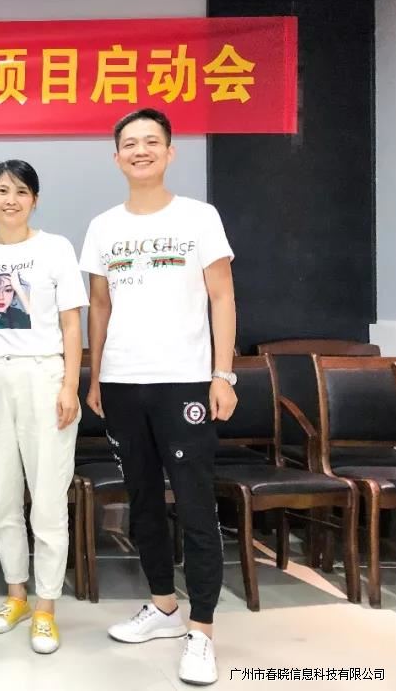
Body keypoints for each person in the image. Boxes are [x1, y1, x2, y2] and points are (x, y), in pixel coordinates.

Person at [79, 108, 237, 687]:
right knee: (143, 501)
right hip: (123, 382)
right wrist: (96, 376)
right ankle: (165, 606)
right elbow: (100, 306)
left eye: (151, 142)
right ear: (116, 157)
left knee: (194, 504)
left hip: (185, 381)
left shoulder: (199, 217)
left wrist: (223, 374)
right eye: (130, 143)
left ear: (170, 153)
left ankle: (202, 630)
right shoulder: (103, 227)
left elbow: (222, 296)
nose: (140, 150)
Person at [0, 160, 86, 654]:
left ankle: (46, 606)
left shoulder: (55, 249)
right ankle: (16, 595)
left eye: (20, 191)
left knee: (49, 499)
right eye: (1, 190)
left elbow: (72, 325)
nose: (10, 200)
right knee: (3, 497)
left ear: (34, 200)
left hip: (44, 377)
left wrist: (69, 385)